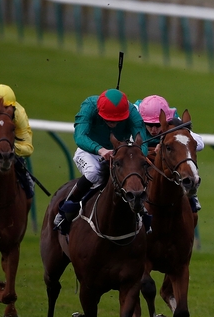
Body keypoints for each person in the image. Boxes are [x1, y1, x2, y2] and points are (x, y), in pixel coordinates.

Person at [53, 88, 149, 234]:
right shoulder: (89, 106)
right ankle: (66, 208)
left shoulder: (132, 113)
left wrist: (136, 157)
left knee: (134, 177)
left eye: (117, 120)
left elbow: (142, 143)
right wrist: (101, 150)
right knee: (93, 173)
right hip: (89, 151)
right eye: (109, 119)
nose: (113, 123)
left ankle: (142, 212)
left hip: (119, 155)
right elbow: (80, 137)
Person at [135, 95, 204, 212]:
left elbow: (200, 144)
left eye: (157, 125)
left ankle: (192, 195)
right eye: (149, 125)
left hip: (166, 151)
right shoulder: (134, 116)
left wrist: (164, 143)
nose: (154, 130)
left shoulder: (173, 119)